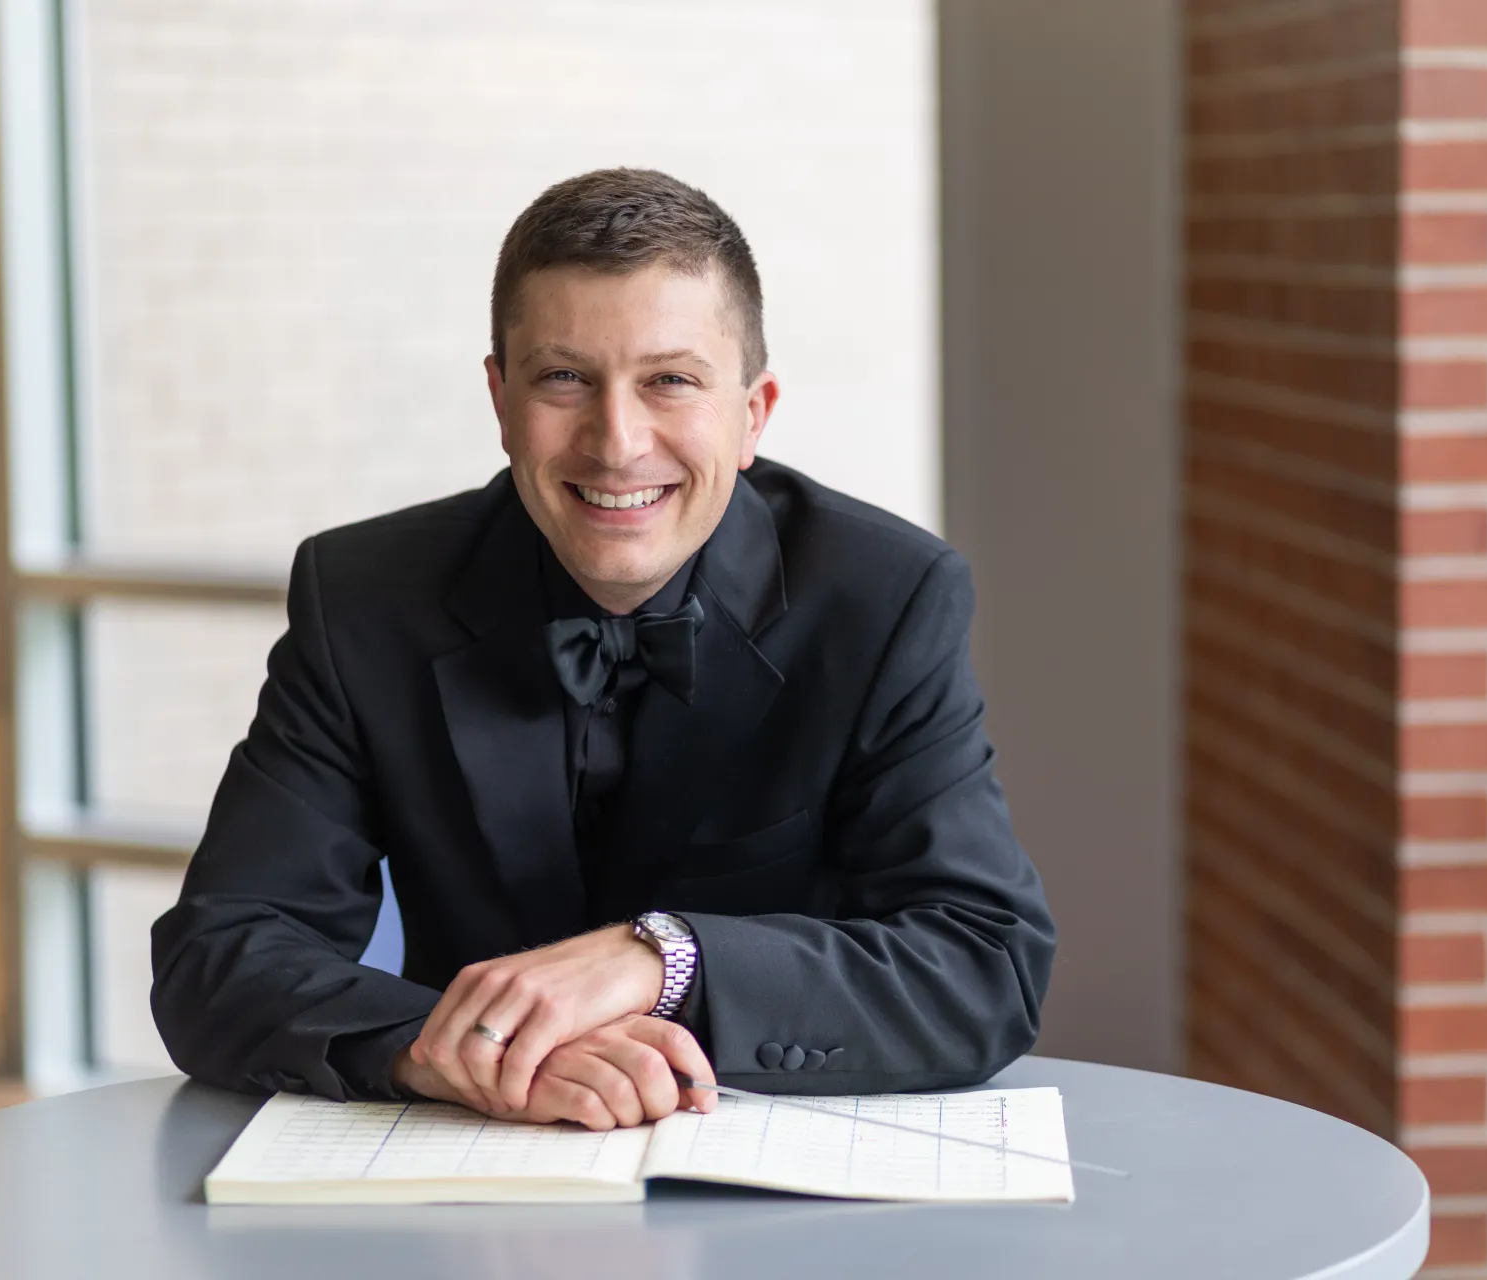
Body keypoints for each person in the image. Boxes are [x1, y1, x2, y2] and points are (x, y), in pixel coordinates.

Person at [151, 167, 1056, 1131]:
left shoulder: (884, 599)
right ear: (500, 399)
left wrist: (661, 959)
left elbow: (982, 964)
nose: (617, 442)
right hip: (468, 1160)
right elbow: (220, 953)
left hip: (774, 1169)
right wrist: (464, 1050)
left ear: (753, 413)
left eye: (670, 380)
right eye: (563, 379)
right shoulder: (365, 598)